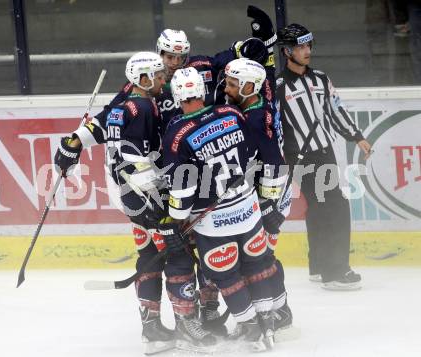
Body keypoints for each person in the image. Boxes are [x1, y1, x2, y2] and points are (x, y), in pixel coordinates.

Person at [53, 51, 177, 355]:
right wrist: (160, 202)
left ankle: (152, 328)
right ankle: (183, 324)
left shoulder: (129, 102)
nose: (165, 78)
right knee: (175, 257)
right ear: (144, 79)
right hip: (143, 194)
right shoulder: (142, 106)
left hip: (130, 196)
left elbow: (103, 125)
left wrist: (73, 142)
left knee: (150, 253)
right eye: (159, 74)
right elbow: (133, 162)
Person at [160, 67, 278, 352]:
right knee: (257, 266)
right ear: (201, 90)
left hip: (214, 222)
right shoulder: (231, 113)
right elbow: (251, 156)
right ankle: (268, 326)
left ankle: (251, 330)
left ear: (177, 95)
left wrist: (174, 220)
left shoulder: (177, 133)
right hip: (248, 210)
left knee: (227, 276)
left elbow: (182, 189)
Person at [275, 24, 373, 291]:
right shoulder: (278, 87)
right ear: (286, 52)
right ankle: (335, 271)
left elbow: (335, 110)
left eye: (308, 46)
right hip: (303, 158)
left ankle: (319, 265)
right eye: (300, 47)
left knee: (320, 208)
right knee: (335, 207)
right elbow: (273, 127)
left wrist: (357, 136)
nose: (306, 51)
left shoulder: (320, 78)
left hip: (325, 152)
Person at [223, 58, 294, 336]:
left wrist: (269, 204)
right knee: (260, 259)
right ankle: (274, 311)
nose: (226, 89)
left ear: (249, 86)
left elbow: (274, 162)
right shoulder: (256, 103)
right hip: (267, 194)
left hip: (270, 196)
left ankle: (282, 312)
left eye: (232, 84)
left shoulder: (253, 118)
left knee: (263, 259)